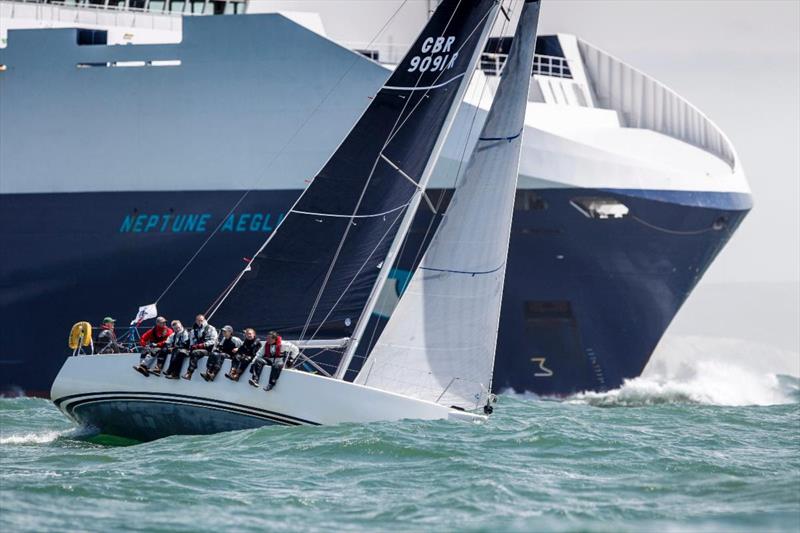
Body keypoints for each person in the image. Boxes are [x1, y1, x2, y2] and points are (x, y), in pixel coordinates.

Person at [183, 314, 218, 380]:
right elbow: (191, 341)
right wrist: (192, 346)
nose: (200, 322)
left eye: (201, 320)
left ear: (204, 320)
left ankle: (189, 373)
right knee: (183, 352)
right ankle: (174, 372)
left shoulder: (211, 328)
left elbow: (214, 340)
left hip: (207, 350)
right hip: (197, 349)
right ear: (196, 321)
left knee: (195, 353)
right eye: (198, 321)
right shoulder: (194, 330)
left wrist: (203, 345)